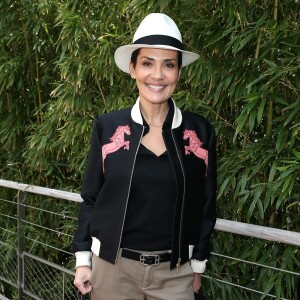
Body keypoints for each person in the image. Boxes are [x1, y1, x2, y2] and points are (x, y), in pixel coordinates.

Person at [72, 13, 216, 300]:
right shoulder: (108, 127)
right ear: (132, 68)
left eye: (169, 65)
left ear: (178, 72)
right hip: (112, 270)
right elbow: (91, 197)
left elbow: (206, 203)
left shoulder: (198, 131)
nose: (158, 75)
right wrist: (83, 261)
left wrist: (198, 264)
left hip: (176, 274)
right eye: (147, 63)